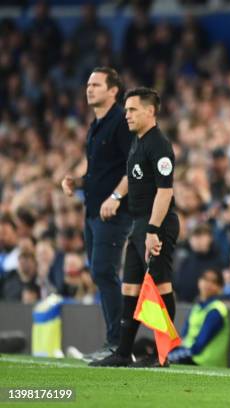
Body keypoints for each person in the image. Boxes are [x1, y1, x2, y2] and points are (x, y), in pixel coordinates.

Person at [91, 87, 179, 368]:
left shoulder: (159, 145)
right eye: (126, 110)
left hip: (157, 224)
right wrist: (116, 197)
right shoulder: (137, 142)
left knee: (159, 286)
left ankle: (161, 354)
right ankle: (123, 352)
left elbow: (165, 192)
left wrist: (153, 230)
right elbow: (132, 176)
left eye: (132, 110)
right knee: (130, 287)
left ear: (150, 111)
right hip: (138, 224)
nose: (126, 115)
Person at [60, 67, 133, 361]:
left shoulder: (120, 122)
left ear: (113, 90)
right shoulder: (96, 125)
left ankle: (118, 343)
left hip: (113, 212)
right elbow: (98, 172)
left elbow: (133, 166)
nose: (89, 89)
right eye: (88, 84)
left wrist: (116, 196)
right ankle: (114, 341)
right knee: (100, 273)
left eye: (96, 84)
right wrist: (76, 182)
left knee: (104, 271)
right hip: (92, 211)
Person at [168, 269, 230, 367]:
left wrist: (172, 355)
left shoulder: (216, 310)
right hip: (189, 353)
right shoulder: (197, 308)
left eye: (213, 282)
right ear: (199, 281)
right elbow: (184, 336)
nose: (207, 284)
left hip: (202, 360)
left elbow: (199, 346)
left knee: (164, 360)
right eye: (205, 279)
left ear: (220, 287)